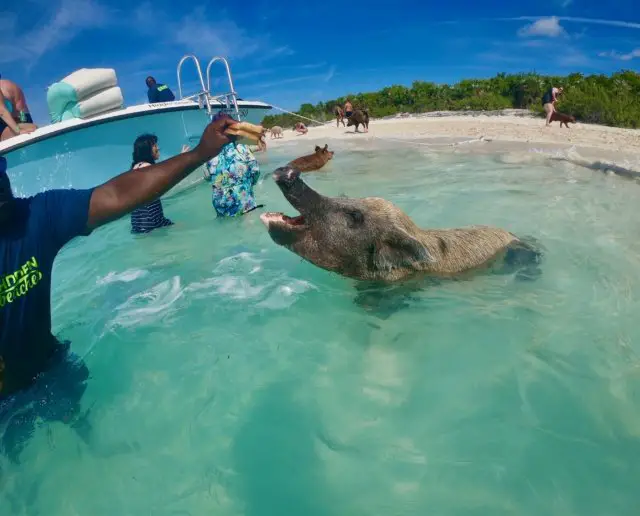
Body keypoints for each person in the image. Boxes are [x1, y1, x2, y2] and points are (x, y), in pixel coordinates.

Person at [0, 114, 237, 464]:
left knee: (86, 432)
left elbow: (116, 193)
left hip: (50, 366)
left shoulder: (34, 217)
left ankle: (100, 455)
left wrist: (201, 153)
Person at [129, 134, 181, 234]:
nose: (157, 147)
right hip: (152, 223)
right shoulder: (147, 168)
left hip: (139, 224)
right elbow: (168, 177)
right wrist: (181, 159)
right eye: (153, 145)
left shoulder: (135, 168)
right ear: (146, 150)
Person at [205, 141, 262, 217]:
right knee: (248, 221)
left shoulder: (210, 153)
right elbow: (255, 170)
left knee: (224, 222)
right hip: (242, 195)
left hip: (219, 198)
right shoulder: (242, 149)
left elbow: (207, 177)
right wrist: (250, 183)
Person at [0, 75, 37, 141]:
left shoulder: (11, 87)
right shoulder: (11, 86)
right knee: (32, 127)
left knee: (31, 128)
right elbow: (21, 112)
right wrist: (18, 130)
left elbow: (21, 113)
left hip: (10, 121)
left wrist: (19, 130)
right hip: (12, 121)